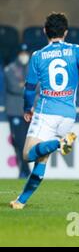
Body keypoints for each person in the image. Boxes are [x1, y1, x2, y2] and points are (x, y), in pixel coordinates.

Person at [10, 12, 79, 209]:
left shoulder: (38, 56)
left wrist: (27, 107)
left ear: (44, 32)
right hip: (68, 116)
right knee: (42, 159)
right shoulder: (77, 50)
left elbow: (30, 88)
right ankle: (21, 201)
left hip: (46, 112)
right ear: (65, 32)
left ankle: (59, 144)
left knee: (28, 155)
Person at [4, 44, 32, 178]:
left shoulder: (33, 68)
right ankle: (24, 169)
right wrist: (28, 87)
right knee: (19, 141)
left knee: (28, 142)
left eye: (26, 52)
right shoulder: (10, 69)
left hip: (29, 110)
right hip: (15, 110)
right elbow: (14, 87)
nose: (24, 55)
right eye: (22, 52)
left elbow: (38, 87)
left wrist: (25, 85)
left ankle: (25, 169)